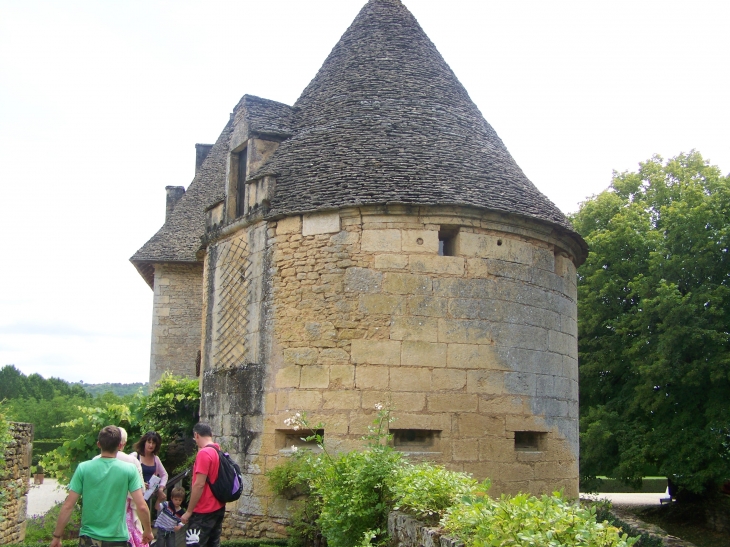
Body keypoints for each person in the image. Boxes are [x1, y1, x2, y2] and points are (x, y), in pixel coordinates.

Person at [50, 426, 154, 547]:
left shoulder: (84, 468)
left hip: (89, 538)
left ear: (99, 444)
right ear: (120, 446)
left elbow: (68, 505)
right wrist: (148, 531)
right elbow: (141, 506)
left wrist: (57, 536)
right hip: (117, 538)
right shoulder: (129, 470)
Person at [92, 427, 147, 547]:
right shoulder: (132, 462)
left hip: (101, 515)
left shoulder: (94, 461)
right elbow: (141, 493)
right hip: (126, 515)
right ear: (123, 443)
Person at [180, 423, 224, 547]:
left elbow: (199, 484)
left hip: (203, 510)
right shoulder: (218, 450)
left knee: (194, 544)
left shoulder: (204, 454)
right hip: (217, 507)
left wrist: (189, 511)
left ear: (196, 435)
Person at [130, 431, 168, 502]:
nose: (151, 445)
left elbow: (164, 475)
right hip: (134, 495)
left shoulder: (156, 459)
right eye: (149, 442)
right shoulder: (135, 456)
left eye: (153, 443)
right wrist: (140, 483)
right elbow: (127, 474)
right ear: (144, 442)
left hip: (146, 497)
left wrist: (161, 488)